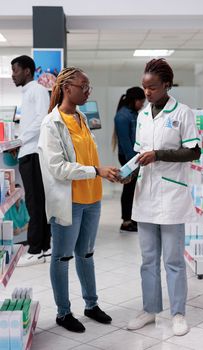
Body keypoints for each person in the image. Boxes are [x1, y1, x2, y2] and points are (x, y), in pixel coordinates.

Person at [38, 67, 119, 333]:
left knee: (86, 254)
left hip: (92, 198)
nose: (87, 91)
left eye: (89, 87)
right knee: (62, 258)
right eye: (83, 86)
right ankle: (63, 313)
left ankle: (91, 305)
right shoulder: (51, 124)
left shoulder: (82, 117)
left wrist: (108, 173)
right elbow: (58, 167)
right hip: (69, 201)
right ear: (66, 88)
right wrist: (96, 171)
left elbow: (87, 158)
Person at [126, 58, 201, 336]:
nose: (147, 93)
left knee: (173, 259)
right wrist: (128, 172)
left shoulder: (183, 113)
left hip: (171, 195)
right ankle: (150, 309)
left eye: (153, 88)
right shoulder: (143, 115)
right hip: (146, 194)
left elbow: (194, 151)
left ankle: (178, 313)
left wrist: (158, 155)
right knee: (148, 259)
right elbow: (138, 153)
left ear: (167, 85)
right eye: (144, 88)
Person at [11, 55, 51, 266]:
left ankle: (36, 249)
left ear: (27, 71)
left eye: (15, 70)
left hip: (34, 153)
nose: (12, 75)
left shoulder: (37, 90)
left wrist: (20, 140)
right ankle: (44, 246)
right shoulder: (28, 93)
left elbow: (42, 119)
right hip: (27, 151)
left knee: (35, 202)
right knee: (36, 201)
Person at [113, 87, 145, 232]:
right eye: (141, 101)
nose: (143, 104)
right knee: (129, 188)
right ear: (135, 100)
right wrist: (133, 164)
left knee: (132, 189)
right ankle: (126, 221)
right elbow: (125, 143)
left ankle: (132, 219)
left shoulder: (133, 114)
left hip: (134, 157)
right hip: (128, 157)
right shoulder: (122, 116)